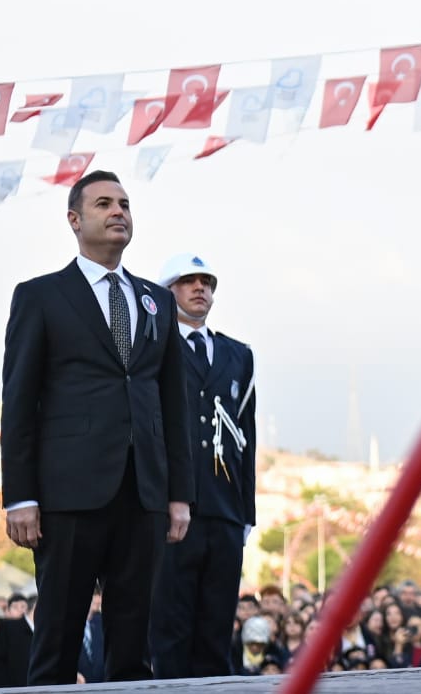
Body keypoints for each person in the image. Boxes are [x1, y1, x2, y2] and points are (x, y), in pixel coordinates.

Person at [0, 171, 194, 684]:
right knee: (59, 638)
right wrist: (19, 496)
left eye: (125, 205)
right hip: (68, 496)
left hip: (144, 492)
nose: (118, 213)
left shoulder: (157, 301)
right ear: (74, 220)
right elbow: (19, 402)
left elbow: (172, 405)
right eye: (104, 203)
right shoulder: (41, 296)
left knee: (133, 645)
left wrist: (179, 494)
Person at [150, 253, 258, 679]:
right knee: (171, 632)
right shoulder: (154, 345)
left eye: (207, 282)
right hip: (174, 508)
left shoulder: (238, 355)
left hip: (225, 510)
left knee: (216, 632)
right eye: (188, 281)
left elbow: (245, 438)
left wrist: (246, 514)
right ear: (167, 291)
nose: (200, 289)